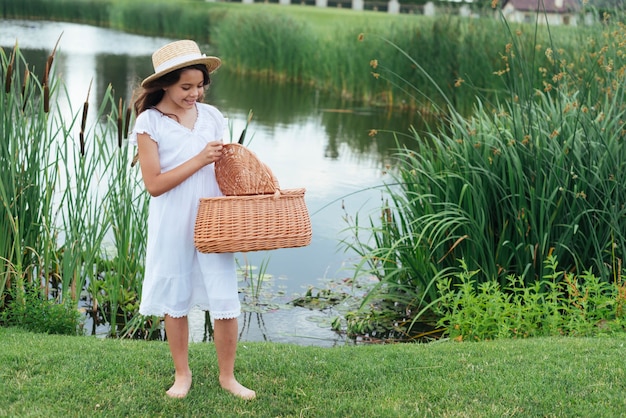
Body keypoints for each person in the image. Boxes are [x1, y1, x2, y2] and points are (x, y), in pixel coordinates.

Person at [129, 39, 256, 400]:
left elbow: (226, 172)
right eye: (186, 87)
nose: (195, 94)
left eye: (199, 86)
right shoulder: (149, 122)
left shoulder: (213, 117)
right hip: (172, 221)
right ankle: (182, 375)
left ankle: (228, 377)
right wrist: (199, 159)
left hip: (212, 220)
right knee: (176, 298)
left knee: (225, 297)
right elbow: (154, 185)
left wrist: (249, 193)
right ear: (164, 84)